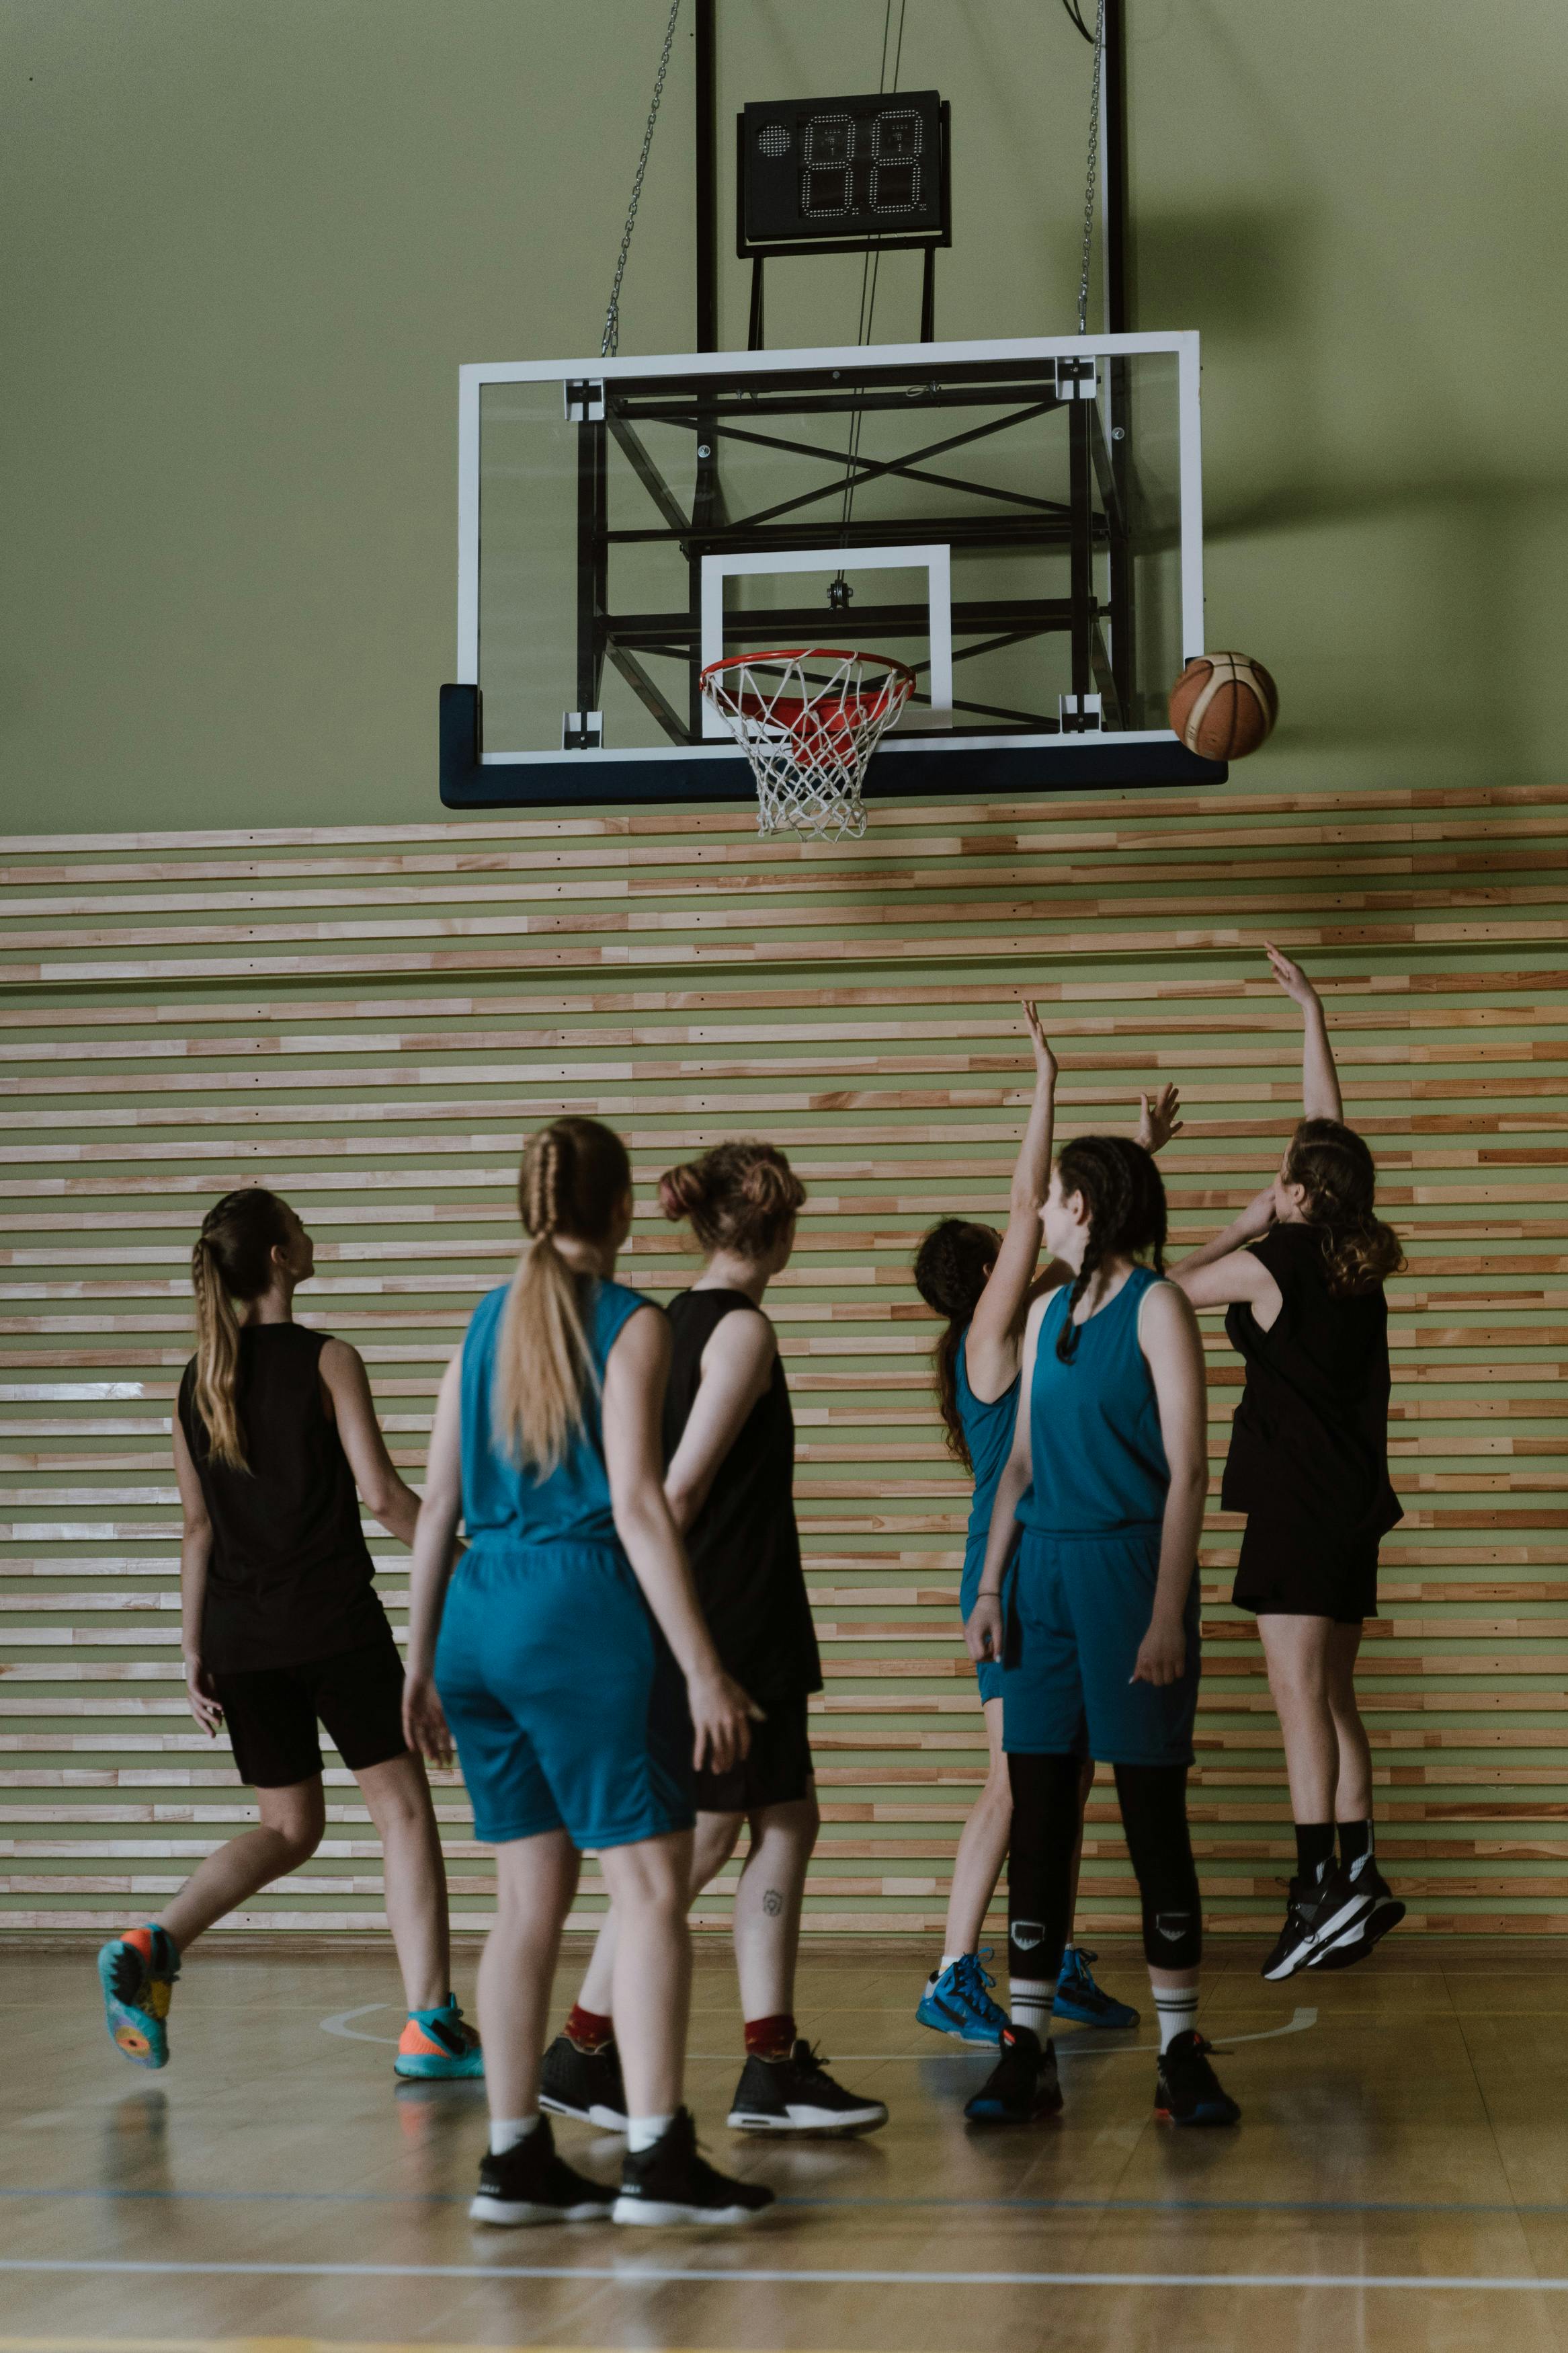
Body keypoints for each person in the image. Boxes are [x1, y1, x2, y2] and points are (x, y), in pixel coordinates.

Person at [401, 1116, 774, 2229]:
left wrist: (418, 1661)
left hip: (476, 1617)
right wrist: (704, 1667)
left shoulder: (484, 1320)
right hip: (574, 1611)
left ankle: (514, 2158)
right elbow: (636, 1505)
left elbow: (436, 1510)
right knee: (651, 1886)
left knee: (526, 1900)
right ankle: (658, 2157)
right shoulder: (630, 1322)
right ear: (620, 1211)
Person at [538, 1141, 888, 2139]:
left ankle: (696, 2053)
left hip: (713, 1613)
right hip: (727, 1618)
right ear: (776, 1228)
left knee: (776, 1820)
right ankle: (604, 2047)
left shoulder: (659, 1321)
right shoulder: (739, 1331)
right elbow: (675, 1492)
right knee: (705, 1843)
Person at [96, 1187, 481, 2083]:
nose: (312, 1238)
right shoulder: (328, 1358)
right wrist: (470, 1561)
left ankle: (157, 1939)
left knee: (287, 1827)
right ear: (277, 1256)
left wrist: (195, 1651)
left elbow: (197, 1530)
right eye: (300, 1229)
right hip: (333, 1627)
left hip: (240, 1637)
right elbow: (383, 1496)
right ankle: (430, 2024)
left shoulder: (198, 1380)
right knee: (403, 1811)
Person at [911, 1004, 1182, 2044]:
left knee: (1062, 1778)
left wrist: (1133, 1165)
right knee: (1015, 1783)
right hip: (1013, 1564)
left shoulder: (1050, 1320)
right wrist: (1044, 1080)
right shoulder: (990, 1339)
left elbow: (1094, 1255)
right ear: (983, 1281)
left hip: (1056, 1557)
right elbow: (1031, 1207)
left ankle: (1050, 1952)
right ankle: (951, 1971)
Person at [964, 1133, 1240, 2129]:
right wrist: (990, 1584)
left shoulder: (1160, 1307)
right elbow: (1023, 1465)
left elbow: (1191, 1472)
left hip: (1129, 1574)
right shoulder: (1043, 1314)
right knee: (1040, 1815)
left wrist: (1168, 1610)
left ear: (1083, 1205)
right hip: (1039, 1577)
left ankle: (1179, 2052)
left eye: (1047, 1199)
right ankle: (1026, 2045)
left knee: (1150, 1819)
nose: (1036, 1214)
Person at [1169, 945, 1406, 1979]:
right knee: (1336, 1699)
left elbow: (1153, 1298)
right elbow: (1329, 1139)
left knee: (1296, 1699)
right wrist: (1312, 1015)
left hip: (1299, 1510)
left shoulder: (1275, 1260)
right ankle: (1356, 1878)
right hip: (1348, 1509)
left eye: (1283, 1175)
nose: (1275, 1176)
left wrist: (1238, 1219)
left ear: (1298, 1194)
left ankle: (1316, 1889)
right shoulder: (1352, 1260)